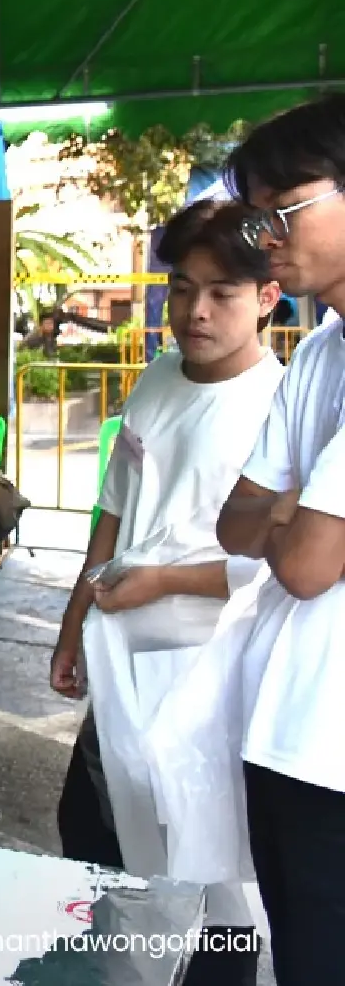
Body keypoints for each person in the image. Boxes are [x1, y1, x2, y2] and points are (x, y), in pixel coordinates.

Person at [49, 199, 281, 986]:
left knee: (213, 869)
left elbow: (280, 564)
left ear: (268, 296)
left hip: (213, 673)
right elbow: (113, 512)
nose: (196, 310)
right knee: (99, 832)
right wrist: (74, 621)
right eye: (182, 288)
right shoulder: (154, 380)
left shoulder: (278, 407)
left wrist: (167, 580)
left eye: (222, 292)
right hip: (124, 659)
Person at [214, 93, 345, 986]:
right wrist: (292, 515)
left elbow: (301, 565)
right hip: (285, 727)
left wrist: (286, 515)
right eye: (257, 215)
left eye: (284, 209)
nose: (267, 236)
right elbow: (236, 519)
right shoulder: (322, 354)